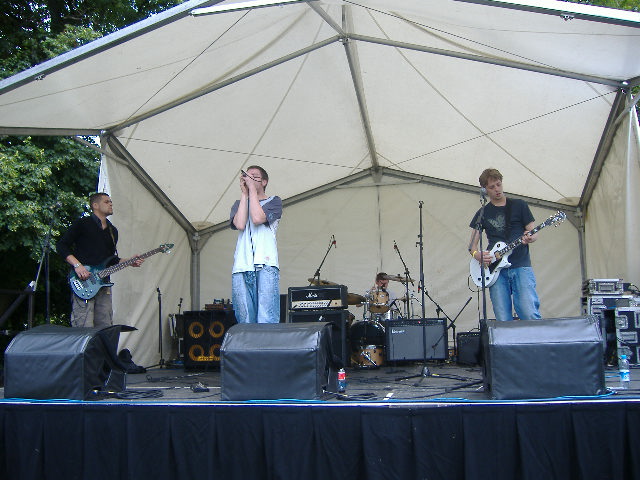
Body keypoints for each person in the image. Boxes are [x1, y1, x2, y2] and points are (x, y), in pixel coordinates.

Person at [57, 192, 144, 328]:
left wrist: (129, 261)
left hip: (103, 283)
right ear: (95, 205)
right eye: (106, 202)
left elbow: (111, 260)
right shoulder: (82, 224)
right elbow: (62, 246)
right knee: (83, 325)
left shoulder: (112, 231)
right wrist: (78, 265)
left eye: (111, 202)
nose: (111, 204)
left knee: (105, 325)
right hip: (83, 280)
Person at [468, 168, 541, 321]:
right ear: (485, 190)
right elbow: (472, 246)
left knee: (529, 312)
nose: (497, 189)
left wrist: (530, 238)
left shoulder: (519, 205)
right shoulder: (482, 213)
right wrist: (478, 255)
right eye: (492, 187)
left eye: (498, 184)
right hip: (496, 270)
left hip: (521, 265)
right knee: (502, 318)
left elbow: (534, 233)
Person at [230, 165, 282, 323]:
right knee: (244, 319)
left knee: (266, 318)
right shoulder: (238, 204)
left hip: (266, 264)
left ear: (264, 182)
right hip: (242, 266)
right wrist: (244, 193)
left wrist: (252, 190)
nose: (249, 179)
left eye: (254, 176)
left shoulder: (274, 201)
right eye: (247, 176)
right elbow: (240, 224)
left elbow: (258, 218)